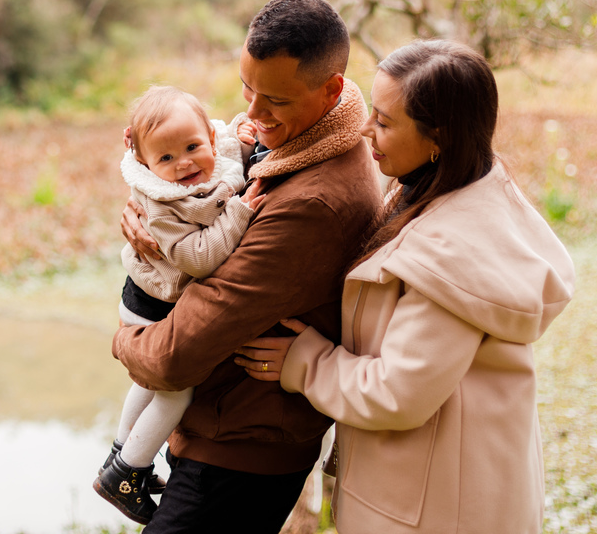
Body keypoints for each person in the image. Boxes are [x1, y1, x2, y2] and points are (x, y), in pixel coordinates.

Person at [234, 40, 576, 534]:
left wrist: (302, 362)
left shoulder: (454, 256)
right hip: (434, 491)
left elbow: (397, 392)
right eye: (373, 112)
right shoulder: (439, 184)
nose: (366, 129)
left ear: (439, 137)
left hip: (440, 512)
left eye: (386, 122)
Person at [112, 0, 382, 533]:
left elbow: (176, 354)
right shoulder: (295, 142)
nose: (253, 114)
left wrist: (123, 340)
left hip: (238, 458)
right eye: (247, 88)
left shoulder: (313, 204)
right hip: (218, 432)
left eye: (274, 101)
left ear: (331, 89)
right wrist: (157, 214)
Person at [94, 85, 267, 523]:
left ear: (209, 135)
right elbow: (198, 257)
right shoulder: (161, 204)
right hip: (151, 304)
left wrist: (243, 138)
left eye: (193, 147)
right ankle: (129, 472)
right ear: (144, 164)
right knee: (176, 392)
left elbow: (225, 144)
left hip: (147, 296)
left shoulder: (215, 147)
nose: (184, 164)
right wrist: (240, 212)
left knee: (150, 386)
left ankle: (120, 455)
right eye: (166, 159)